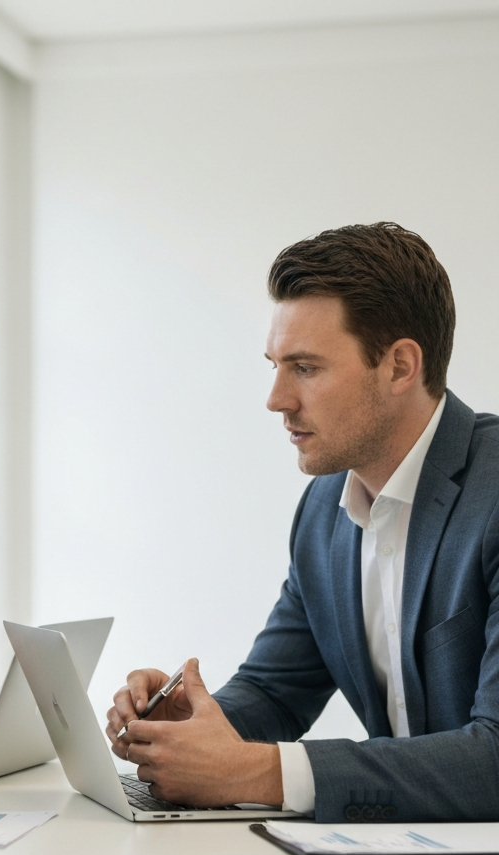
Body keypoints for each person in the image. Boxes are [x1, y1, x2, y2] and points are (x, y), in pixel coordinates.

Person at [106, 222, 499, 822]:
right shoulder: (325, 511)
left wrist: (260, 771)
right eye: (275, 365)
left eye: (306, 368)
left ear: (399, 367)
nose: (277, 398)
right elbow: (275, 692)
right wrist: (190, 727)